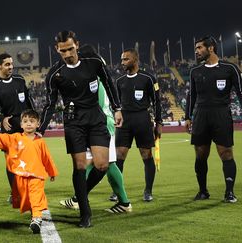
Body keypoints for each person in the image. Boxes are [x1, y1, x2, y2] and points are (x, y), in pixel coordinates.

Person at [39, 31, 122, 227]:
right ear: (56, 50)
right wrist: (40, 130)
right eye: (62, 51)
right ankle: (85, 213)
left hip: (95, 117)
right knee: (80, 165)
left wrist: (117, 108)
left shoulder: (93, 60)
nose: (67, 54)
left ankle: (79, 195)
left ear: (77, 44)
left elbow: (109, 82)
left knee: (102, 165)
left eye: (70, 49)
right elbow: (50, 104)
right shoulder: (54, 74)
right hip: (73, 120)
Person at [59, 44, 131, 213]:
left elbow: (94, 105)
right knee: (105, 163)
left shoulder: (93, 77)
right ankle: (82, 198)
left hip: (101, 124)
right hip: (105, 122)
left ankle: (121, 202)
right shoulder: (99, 73)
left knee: (97, 164)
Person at [185, 36, 242, 203]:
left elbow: (240, 92)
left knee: (226, 153)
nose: (196, 51)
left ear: (211, 48)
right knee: (200, 155)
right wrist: (188, 117)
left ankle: (229, 192)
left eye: (200, 48)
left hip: (221, 114)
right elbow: (192, 96)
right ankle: (203, 191)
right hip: (201, 115)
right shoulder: (195, 71)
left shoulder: (230, 68)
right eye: (196, 48)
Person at [0, 109, 58, 234]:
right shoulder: (15, 138)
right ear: (21, 124)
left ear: (38, 124)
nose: (28, 124)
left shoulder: (40, 142)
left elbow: (47, 158)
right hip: (21, 175)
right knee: (27, 198)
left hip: (37, 175)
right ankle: (35, 216)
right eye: (25, 121)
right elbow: (4, 139)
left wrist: (52, 172)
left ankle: (36, 218)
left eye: (32, 121)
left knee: (36, 195)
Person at [114, 48, 162, 202]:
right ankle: (117, 191)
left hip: (142, 118)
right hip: (125, 120)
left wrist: (159, 122)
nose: (122, 62)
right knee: (119, 155)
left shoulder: (149, 78)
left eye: (125, 59)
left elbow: (157, 101)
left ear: (135, 59)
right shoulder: (119, 81)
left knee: (146, 154)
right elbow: (116, 104)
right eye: (121, 59)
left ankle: (148, 191)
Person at [0, 53, 34, 200]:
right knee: (10, 160)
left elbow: (29, 100)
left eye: (12, 64)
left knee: (26, 158)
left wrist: (34, 119)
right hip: (8, 128)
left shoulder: (20, 80)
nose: (11, 67)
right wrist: (2, 119)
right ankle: (14, 191)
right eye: (7, 64)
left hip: (24, 126)